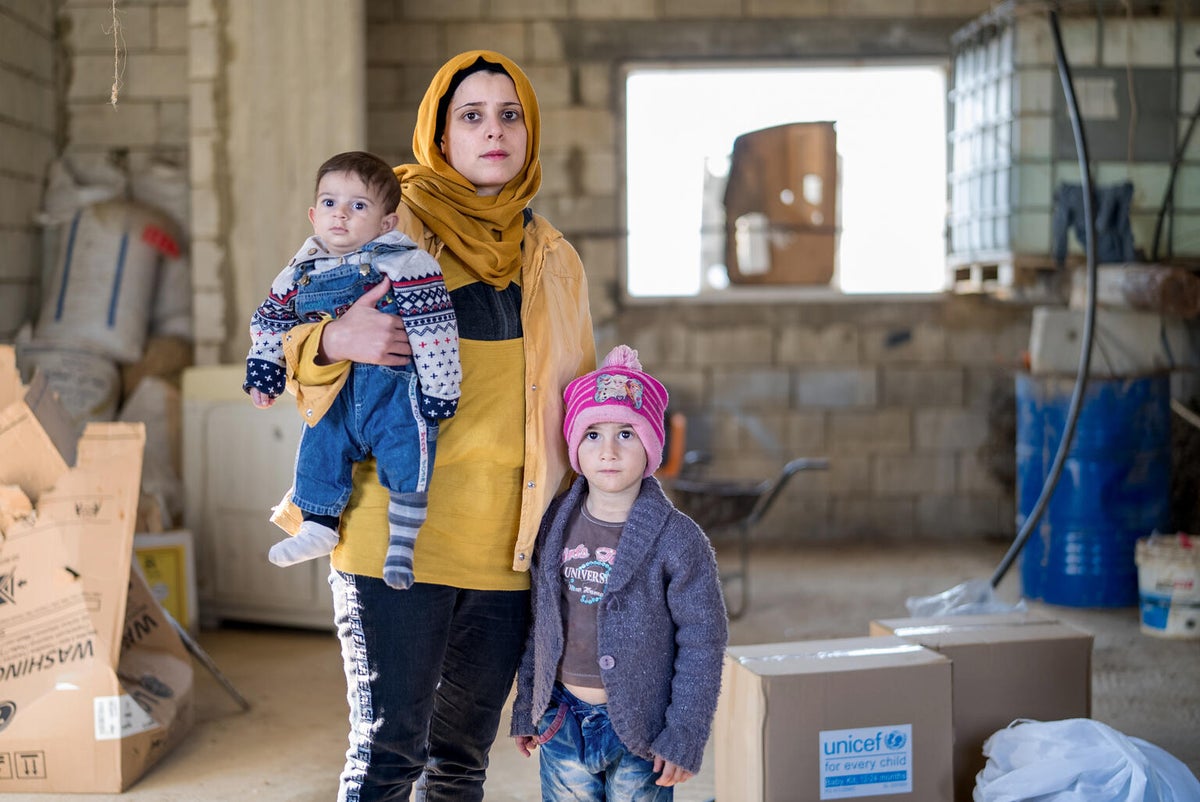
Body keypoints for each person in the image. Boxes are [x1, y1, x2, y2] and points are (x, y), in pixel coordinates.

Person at [273, 50, 595, 801]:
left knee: (460, 763)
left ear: (530, 132)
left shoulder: (554, 260)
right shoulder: (381, 226)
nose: (493, 130)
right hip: (395, 536)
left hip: (505, 552)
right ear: (440, 136)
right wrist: (329, 341)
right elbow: (280, 334)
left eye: (509, 114)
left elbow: (572, 407)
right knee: (389, 753)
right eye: (471, 116)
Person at [510, 345, 728, 801]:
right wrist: (528, 707)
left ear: (650, 445)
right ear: (574, 446)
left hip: (642, 732)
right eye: (593, 434)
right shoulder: (553, 524)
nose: (608, 450)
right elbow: (538, 623)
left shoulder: (679, 539)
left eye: (626, 433)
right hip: (560, 723)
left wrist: (684, 733)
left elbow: (704, 639)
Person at [243, 150, 461, 591]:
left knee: (409, 450)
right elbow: (270, 322)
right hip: (335, 393)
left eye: (358, 206)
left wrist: (440, 388)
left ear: (386, 224)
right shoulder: (297, 273)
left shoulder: (407, 263)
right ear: (312, 214)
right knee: (318, 451)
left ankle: (402, 543)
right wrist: (263, 367)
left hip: (392, 390)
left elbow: (435, 330)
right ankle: (317, 527)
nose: (340, 214)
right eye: (329, 203)